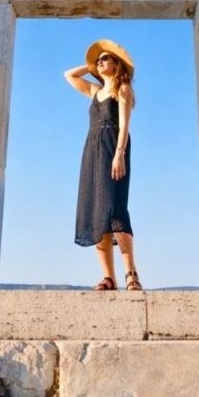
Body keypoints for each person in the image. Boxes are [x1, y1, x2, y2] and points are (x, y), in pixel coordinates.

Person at [64, 39, 142, 291]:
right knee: (97, 212)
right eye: (99, 60)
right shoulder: (94, 91)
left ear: (117, 63)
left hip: (113, 147)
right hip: (92, 151)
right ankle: (109, 277)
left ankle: (131, 274)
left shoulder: (123, 88)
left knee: (115, 209)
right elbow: (69, 75)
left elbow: (125, 126)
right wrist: (90, 65)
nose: (101, 62)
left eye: (106, 58)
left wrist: (119, 154)